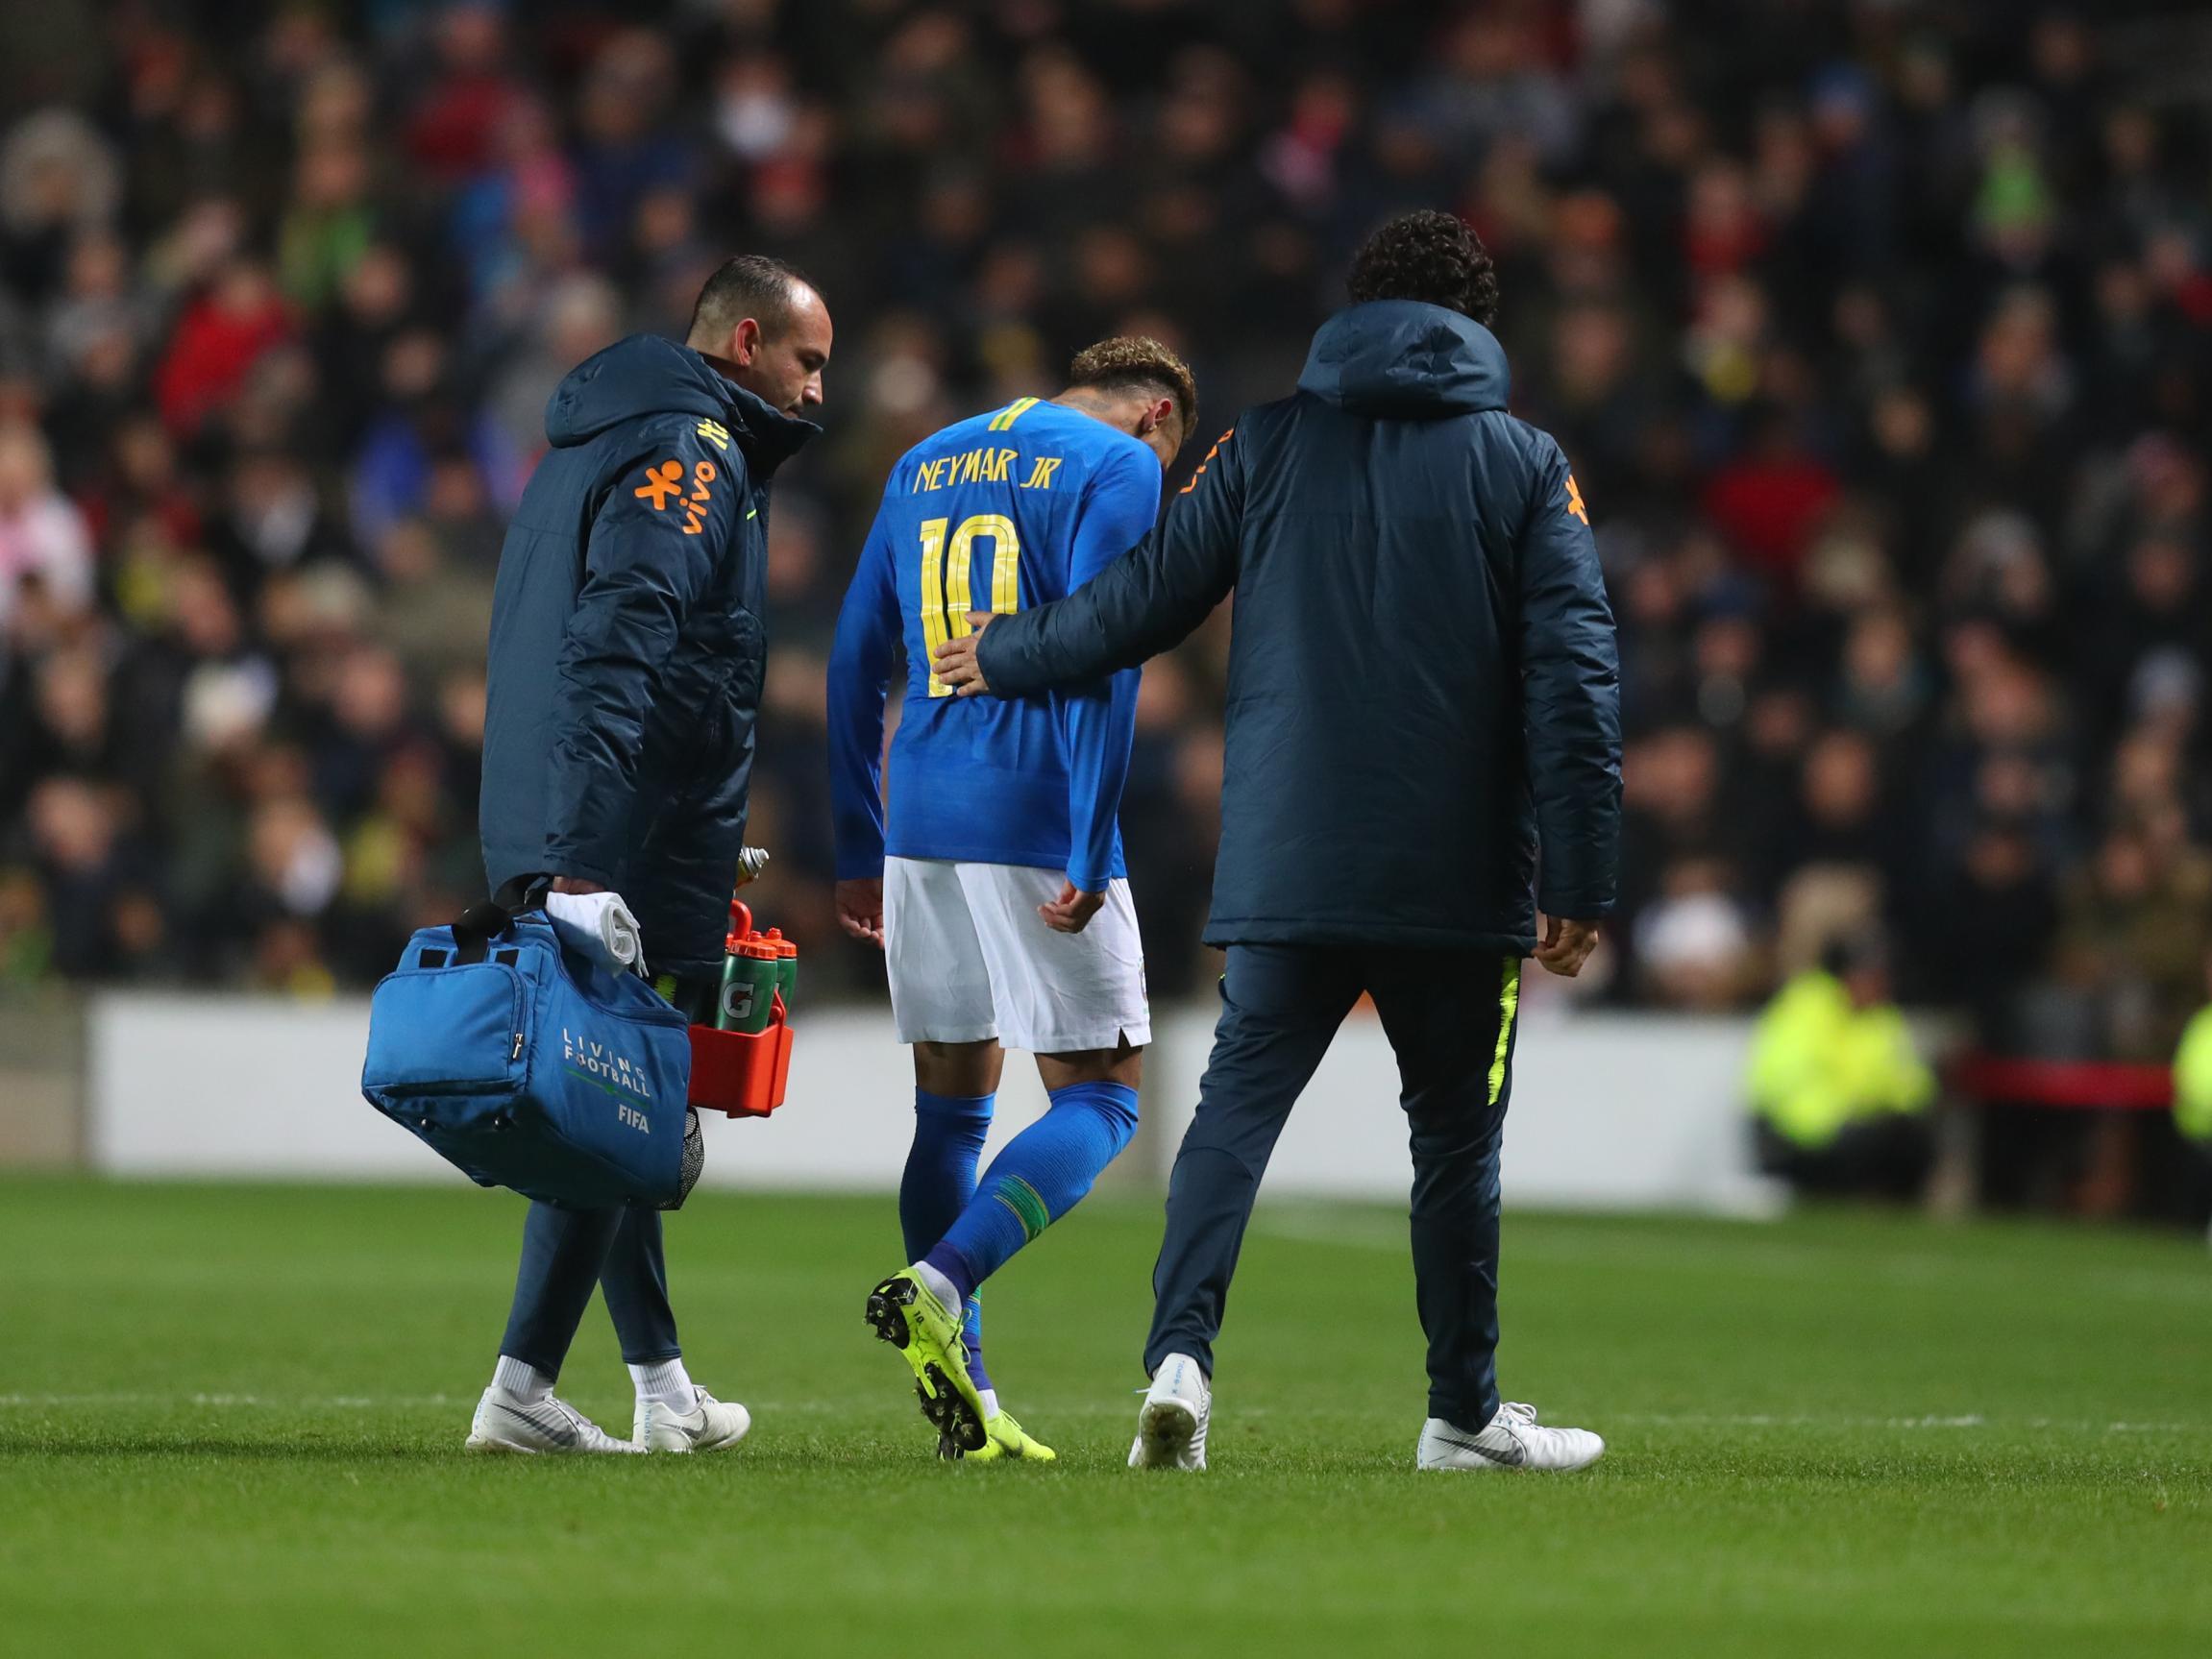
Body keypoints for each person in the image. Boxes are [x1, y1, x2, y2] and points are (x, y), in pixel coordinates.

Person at [934, 210, 1621, 1474]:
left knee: (1233, 1116)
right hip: (1458, 877)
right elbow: (1572, 676)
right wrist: (1581, 866)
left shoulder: (1266, 441)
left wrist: (1010, 648)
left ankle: (1179, 1364)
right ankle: (1461, 1414)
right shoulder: (1526, 464)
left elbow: (1144, 599)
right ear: (1477, 323)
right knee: (1455, 1144)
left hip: (1288, 858)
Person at [467, 255, 831, 1454]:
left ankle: (663, 1387)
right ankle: (523, 1387)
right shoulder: (692, 447)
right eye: (805, 360)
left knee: (618, 1102)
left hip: (569, 809)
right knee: (611, 1107)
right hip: (606, 834)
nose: (817, 390)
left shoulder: (588, 435)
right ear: (741, 342)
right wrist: (583, 861)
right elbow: (624, 645)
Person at [826, 338, 1197, 1459]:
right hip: (1033, 808)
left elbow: (854, 658)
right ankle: (942, 1279)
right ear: (1157, 417)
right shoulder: (1115, 466)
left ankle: (967, 1405)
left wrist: (857, 836)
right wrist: (1090, 835)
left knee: (951, 1101)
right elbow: (1106, 651)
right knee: (1105, 1098)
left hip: (921, 812)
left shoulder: (925, 459)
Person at [1746, 935, 1935, 1202]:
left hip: (1858, 1125)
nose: (1879, 983)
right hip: (1794, 1133)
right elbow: (1791, 1083)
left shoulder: (1883, 1018)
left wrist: (1896, 1113)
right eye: (1868, 974)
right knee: (1862, 1143)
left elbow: (1910, 1082)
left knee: (1913, 1137)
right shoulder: (1806, 1005)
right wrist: (1848, 1119)